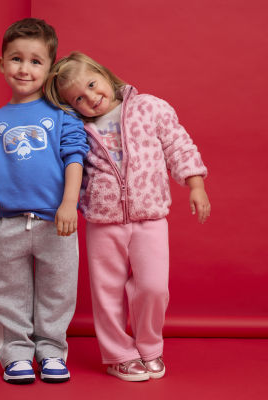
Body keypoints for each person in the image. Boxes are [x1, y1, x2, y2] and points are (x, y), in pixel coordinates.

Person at [44, 52, 211, 381]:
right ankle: (119, 355)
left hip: (150, 216)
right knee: (106, 293)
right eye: (78, 98)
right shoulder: (77, 128)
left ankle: (150, 346)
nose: (91, 97)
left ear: (104, 74)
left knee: (153, 287)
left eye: (92, 85)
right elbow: (66, 169)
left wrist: (195, 184)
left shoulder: (149, 107)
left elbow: (178, 145)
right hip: (103, 222)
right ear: (71, 105)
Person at [0, 21, 88, 384]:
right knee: (7, 294)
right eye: (16, 59)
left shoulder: (61, 115)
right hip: (9, 224)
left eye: (35, 61)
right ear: (2, 64)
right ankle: (16, 354)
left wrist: (68, 203)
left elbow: (75, 157)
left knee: (59, 290)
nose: (24, 68)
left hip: (56, 222)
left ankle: (52, 350)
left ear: (50, 67)